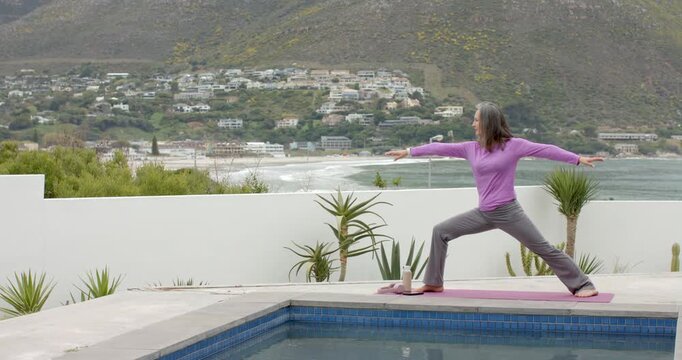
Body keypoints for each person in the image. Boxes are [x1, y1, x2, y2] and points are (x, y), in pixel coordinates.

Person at [385, 102, 603, 297]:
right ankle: (433, 283)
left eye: (476, 119)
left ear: (488, 122)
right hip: (484, 213)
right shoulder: (471, 149)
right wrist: (409, 151)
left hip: (508, 212)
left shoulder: (513, 145)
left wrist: (577, 159)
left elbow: (546, 150)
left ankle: (583, 284)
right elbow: (439, 147)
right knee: (440, 231)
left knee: (543, 249)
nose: (473, 124)